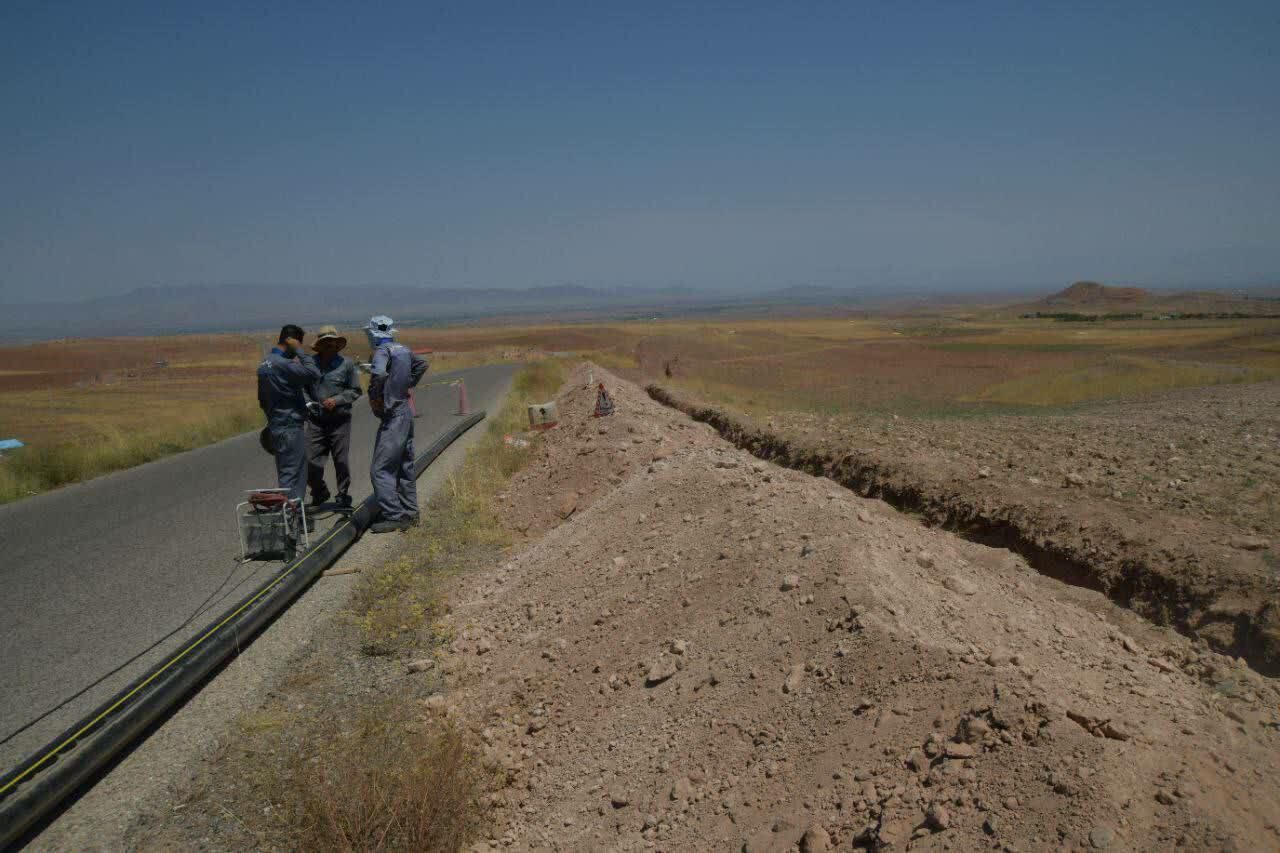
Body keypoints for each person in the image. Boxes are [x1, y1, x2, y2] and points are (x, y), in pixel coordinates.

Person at [365, 315, 428, 533]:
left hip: (393, 414)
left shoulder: (382, 352)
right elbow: (422, 363)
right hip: (405, 411)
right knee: (404, 465)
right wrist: (407, 382)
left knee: (380, 469)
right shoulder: (402, 349)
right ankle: (411, 512)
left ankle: (394, 515)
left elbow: (379, 372)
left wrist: (377, 394)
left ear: (372, 332)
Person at [256, 325, 321, 502]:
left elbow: (262, 399)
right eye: (299, 343)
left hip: (276, 424)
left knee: (290, 471)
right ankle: (291, 518)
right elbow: (314, 373)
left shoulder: (264, 363)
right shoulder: (283, 364)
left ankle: (292, 515)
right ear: (290, 340)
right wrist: (300, 351)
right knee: (294, 474)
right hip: (290, 425)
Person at [305, 326, 362, 509]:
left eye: (333, 342)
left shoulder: (346, 365)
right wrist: (308, 404)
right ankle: (319, 491)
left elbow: (355, 390)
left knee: (341, 461)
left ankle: (343, 495)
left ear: (337, 345)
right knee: (309, 460)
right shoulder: (309, 365)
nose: (330, 345)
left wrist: (337, 400)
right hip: (316, 421)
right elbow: (302, 388)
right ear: (319, 345)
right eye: (325, 342)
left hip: (339, 421)